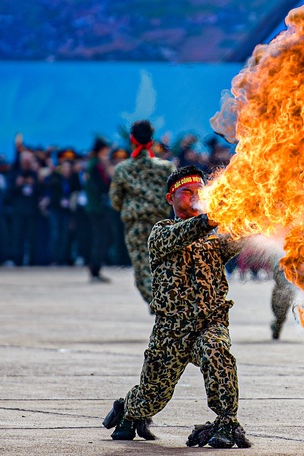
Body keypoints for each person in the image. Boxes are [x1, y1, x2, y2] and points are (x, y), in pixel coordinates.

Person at [103, 165, 251, 449]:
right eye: (187, 193)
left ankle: (226, 422)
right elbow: (188, 232)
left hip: (209, 322)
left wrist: (255, 211)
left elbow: (241, 235)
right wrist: (211, 220)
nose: (194, 197)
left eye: (199, 192)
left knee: (216, 352)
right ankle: (129, 410)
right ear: (171, 197)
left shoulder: (213, 241)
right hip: (171, 330)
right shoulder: (161, 233)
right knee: (152, 396)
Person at [109, 120, 175, 310]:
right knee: (164, 268)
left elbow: (115, 199)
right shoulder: (166, 168)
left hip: (136, 226)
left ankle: (162, 307)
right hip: (162, 225)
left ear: (132, 141)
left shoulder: (123, 169)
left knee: (143, 272)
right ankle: (170, 304)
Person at [83, 138, 113, 282]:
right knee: (101, 238)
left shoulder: (93, 164)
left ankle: (95, 269)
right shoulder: (97, 165)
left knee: (101, 238)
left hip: (96, 206)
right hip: (98, 207)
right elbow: (102, 186)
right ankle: (95, 270)